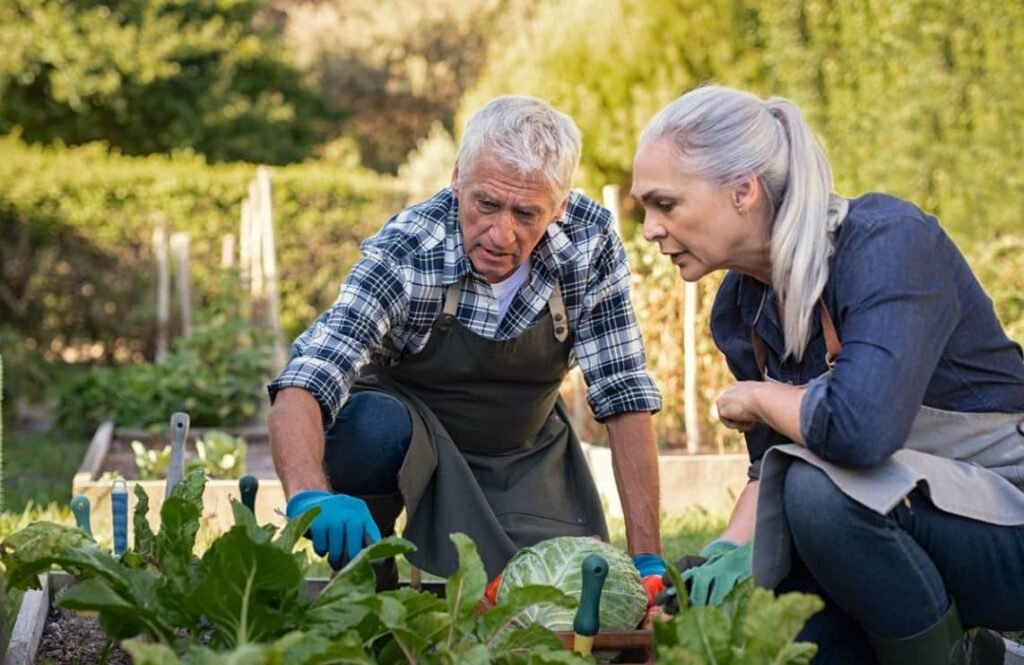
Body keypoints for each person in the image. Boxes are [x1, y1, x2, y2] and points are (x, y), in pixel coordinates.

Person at [632, 84, 1024, 663]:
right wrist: (720, 558)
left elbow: (860, 428)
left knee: (819, 496)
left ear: (743, 191)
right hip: (898, 526)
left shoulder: (888, 243)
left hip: (1006, 523)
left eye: (665, 205)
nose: (649, 229)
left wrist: (763, 399)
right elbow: (772, 469)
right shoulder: (741, 309)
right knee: (780, 631)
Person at [268, 95, 668, 602]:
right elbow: (307, 375)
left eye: (526, 213)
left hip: (523, 446)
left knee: (549, 604)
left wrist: (647, 557)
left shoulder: (589, 242)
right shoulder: (411, 249)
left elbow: (624, 391)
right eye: (486, 204)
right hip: (412, 441)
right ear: (458, 177)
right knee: (369, 428)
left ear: (560, 205)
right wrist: (309, 493)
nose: (502, 234)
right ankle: (364, 585)